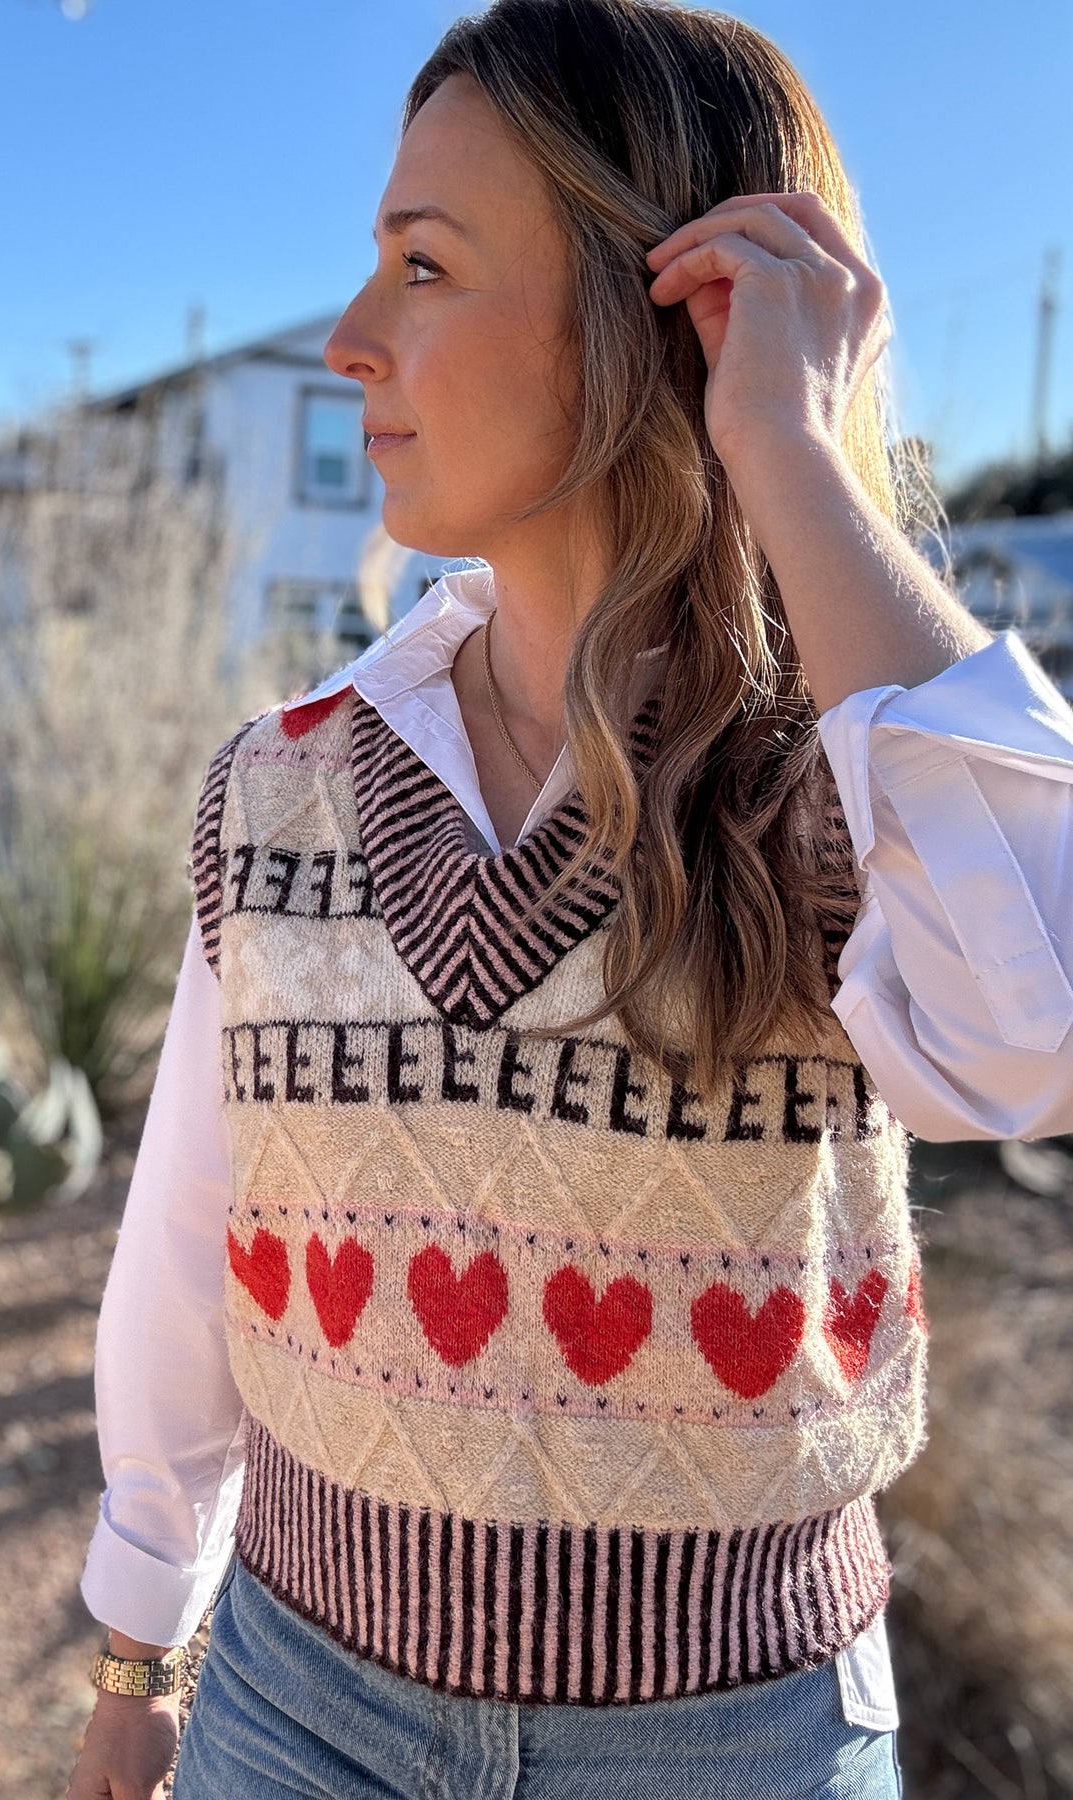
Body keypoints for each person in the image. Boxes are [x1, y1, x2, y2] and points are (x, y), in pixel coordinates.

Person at [67, 2, 1073, 1796]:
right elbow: (191, 1236)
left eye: (425, 266)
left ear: (652, 308)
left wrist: (793, 458)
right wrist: (144, 1642)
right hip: (292, 1714)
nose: (352, 338)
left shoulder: (847, 770)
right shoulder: (278, 786)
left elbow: (1044, 1034)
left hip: (736, 1736)